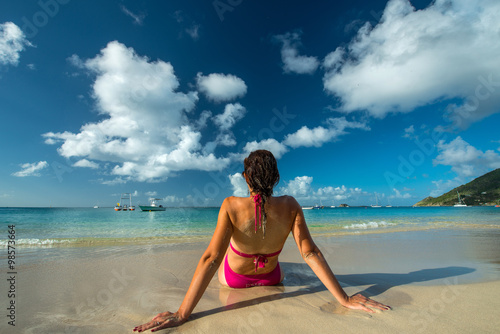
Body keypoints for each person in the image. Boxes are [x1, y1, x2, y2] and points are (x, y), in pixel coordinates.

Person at [133, 150, 390, 332]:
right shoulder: (290, 205)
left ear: (246, 177)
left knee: (223, 264)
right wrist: (343, 299)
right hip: (273, 278)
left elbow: (211, 259)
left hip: (234, 280)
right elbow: (311, 253)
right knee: (290, 265)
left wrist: (181, 314)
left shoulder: (231, 205)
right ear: (276, 178)